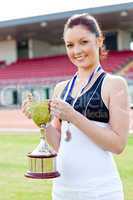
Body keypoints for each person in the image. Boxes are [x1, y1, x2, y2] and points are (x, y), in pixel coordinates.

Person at [22, 13, 130, 200]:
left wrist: (74, 116)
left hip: (100, 191)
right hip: (63, 190)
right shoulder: (60, 89)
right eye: (70, 45)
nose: (76, 50)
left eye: (83, 42)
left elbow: (118, 145)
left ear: (99, 40)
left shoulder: (114, 84)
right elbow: (59, 145)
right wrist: (41, 121)